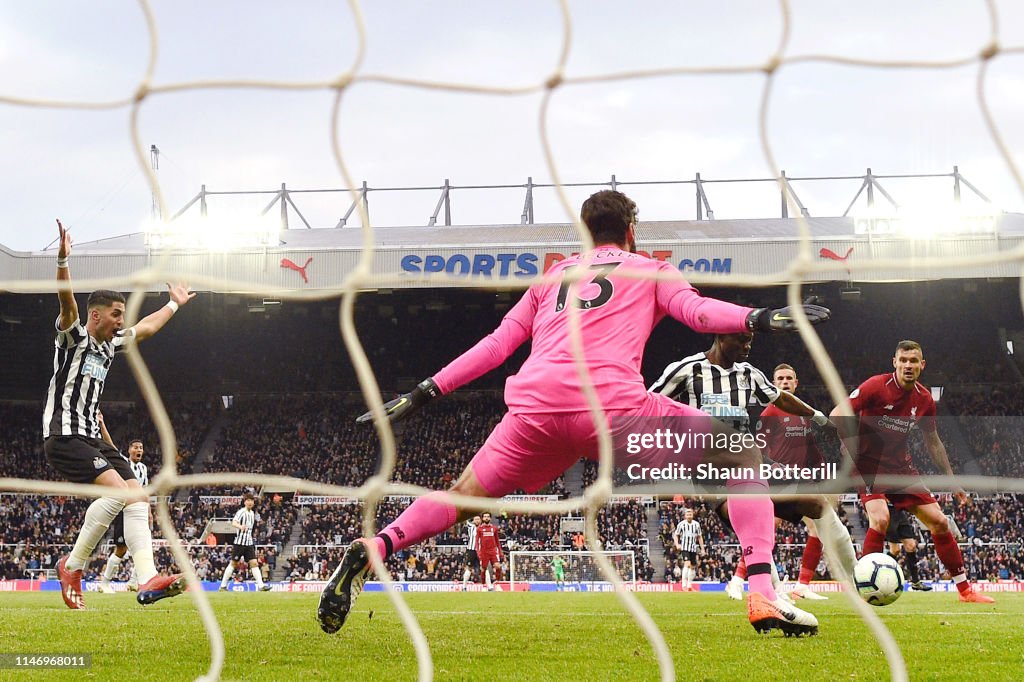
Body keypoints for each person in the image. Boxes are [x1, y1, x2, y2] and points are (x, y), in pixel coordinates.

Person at [317, 189, 830, 637]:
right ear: (632, 231)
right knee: (739, 455)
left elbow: (498, 346)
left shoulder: (552, 278)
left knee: (463, 496)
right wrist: (757, 317)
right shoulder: (649, 268)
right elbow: (696, 313)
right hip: (613, 408)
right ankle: (763, 591)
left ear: (584, 234)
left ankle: (376, 546)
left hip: (535, 411)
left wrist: (428, 389)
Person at [44, 219, 193, 609]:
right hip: (64, 436)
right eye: (115, 313)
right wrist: (62, 261)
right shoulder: (73, 337)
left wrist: (174, 304)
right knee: (119, 492)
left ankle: (147, 580)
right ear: (96, 316)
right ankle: (72, 565)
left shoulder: (110, 348)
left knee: (137, 497)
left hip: (93, 437)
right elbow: (67, 302)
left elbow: (145, 328)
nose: (120, 320)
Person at [652, 339, 857, 602]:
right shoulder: (686, 369)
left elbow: (780, 398)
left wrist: (818, 416)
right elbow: (649, 403)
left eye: (750, 340)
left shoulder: (749, 373)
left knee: (817, 504)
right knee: (753, 521)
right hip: (715, 470)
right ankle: (766, 594)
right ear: (722, 335)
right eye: (742, 339)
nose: (748, 346)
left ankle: (858, 578)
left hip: (752, 460)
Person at [831, 340, 993, 603]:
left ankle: (965, 591)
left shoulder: (925, 399)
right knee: (880, 519)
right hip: (867, 466)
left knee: (940, 522)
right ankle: (864, 592)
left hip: (901, 468)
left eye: (913, 361)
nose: (908, 365)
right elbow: (837, 414)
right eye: (903, 360)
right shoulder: (875, 386)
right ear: (894, 362)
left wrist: (952, 482)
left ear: (922, 365)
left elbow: (933, 442)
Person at [98, 413, 149, 593]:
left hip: (139, 510)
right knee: (121, 548)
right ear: (129, 450)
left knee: (143, 545)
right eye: (136, 447)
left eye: (141, 447)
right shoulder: (123, 462)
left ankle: (134, 582)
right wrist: (102, 424)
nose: (139, 450)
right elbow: (109, 445)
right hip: (123, 509)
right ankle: (104, 583)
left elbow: (144, 491)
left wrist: (149, 512)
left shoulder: (143, 469)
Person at [219, 494, 270, 591]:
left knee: (254, 563)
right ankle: (223, 586)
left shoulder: (252, 513)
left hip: (249, 543)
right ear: (245, 502)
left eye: (252, 500)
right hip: (239, 543)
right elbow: (234, 522)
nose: (250, 502)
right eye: (248, 500)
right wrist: (240, 527)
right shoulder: (241, 512)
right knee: (233, 564)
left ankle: (261, 586)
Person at [885, 503, 932, 591]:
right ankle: (882, 578)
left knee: (911, 546)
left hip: (899, 511)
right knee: (895, 550)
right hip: (887, 511)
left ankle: (915, 582)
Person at [671, 508, 704, 591]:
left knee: (693, 567)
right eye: (687, 514)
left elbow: (699, 537)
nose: (689, 516)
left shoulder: (696, 524)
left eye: (690, 514)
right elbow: (676, 535)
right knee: (687, 564)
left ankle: (689, 585)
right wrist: (677, 544)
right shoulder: (681, 524)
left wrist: (702, 549)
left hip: (693, 548)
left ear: (692, 515)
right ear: (685, 516)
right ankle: (684, 585)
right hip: (685, 547)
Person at [475, 512, 504, 591]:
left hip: (493, 551)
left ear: (490, 518)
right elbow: (477, 542)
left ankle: (497, 584)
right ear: (482, 518)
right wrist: (478, 552)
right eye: (485, 517)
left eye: (488, 517)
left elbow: (497, 541)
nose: (486, 518)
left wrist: (500, 552)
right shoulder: (479, 529)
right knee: (483, 569)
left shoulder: (494, 528)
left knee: (498, 566)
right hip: (484, 552)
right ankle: (484, 586)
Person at [462, 514, 481, 589]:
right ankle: (464, 587)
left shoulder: (483, 528)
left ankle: (489, 587)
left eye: (478, 519)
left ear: (480, 520)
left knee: (484, 568)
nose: (477, 520)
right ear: (473, 521)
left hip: (480, 550)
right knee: (469, 568)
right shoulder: (470, 526)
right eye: (475, 519)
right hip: (471, 550)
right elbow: (465, 519)